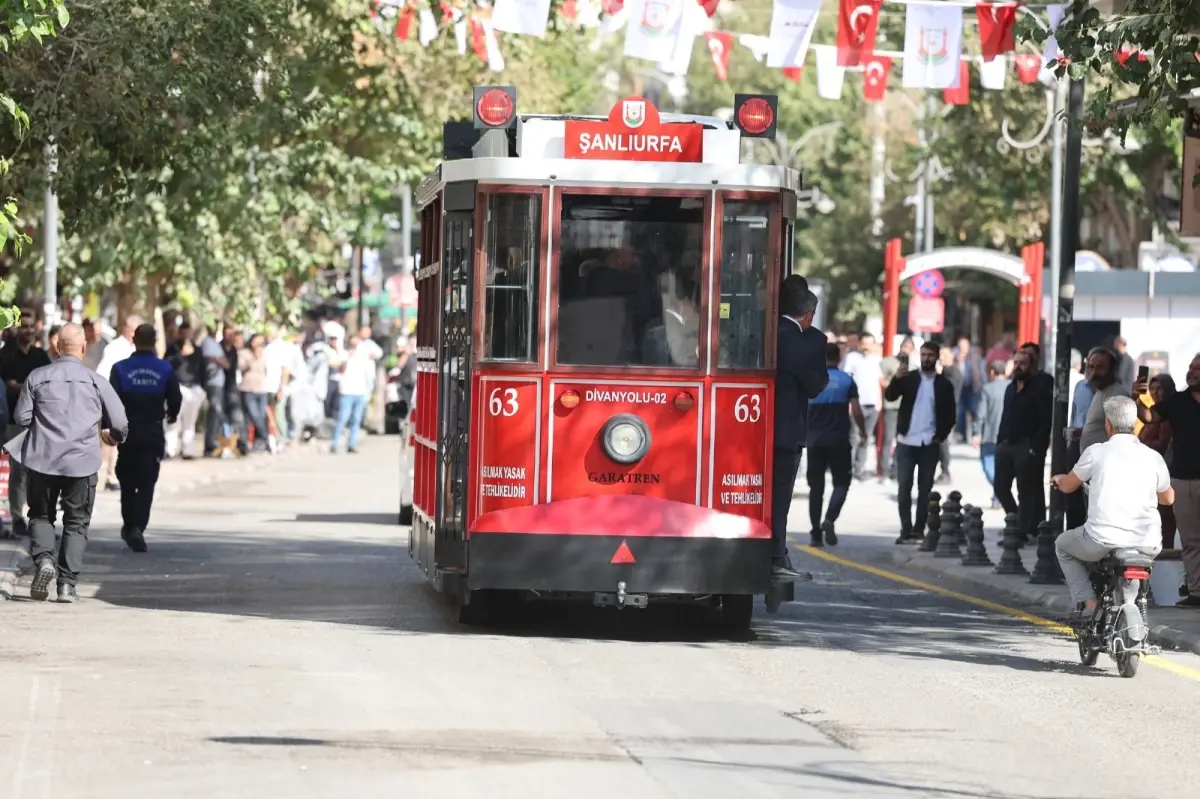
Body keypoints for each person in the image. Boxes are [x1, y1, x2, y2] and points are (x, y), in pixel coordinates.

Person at [5, 325, 128, 602]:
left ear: (57, 347)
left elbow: (22, 417)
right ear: (83, 348)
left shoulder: (37, 377)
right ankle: (66, 586)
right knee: (76, 523)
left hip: (42, 459)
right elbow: (119, 422)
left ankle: (45, 561)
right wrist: (113, 436)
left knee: (40, 515)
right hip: (81, 464)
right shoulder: (96, 381)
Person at [1052, 396, 1170, 615]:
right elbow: (1167, 499)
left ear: (1108, 424)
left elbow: (1069, 486)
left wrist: (1059, 480)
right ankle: (1129, 605)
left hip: (1102, 540)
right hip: (1147, 543)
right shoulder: (1153, 457)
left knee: (1062, 545)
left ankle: (1089, 603)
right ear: (1135, 424)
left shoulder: (1096, 452)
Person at [771, 276, 829, 577]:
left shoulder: (762, 330)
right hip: (787, 431)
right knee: (780, 497)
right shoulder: (810, 341)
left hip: (751, 425)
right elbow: (816, 386)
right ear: (807, 316)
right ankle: (776, 555)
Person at [1133, 353, 1200, 607]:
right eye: (1191, 367)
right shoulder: (1177, 401)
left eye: (1198, 369)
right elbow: (1148, 417)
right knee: (1191, 539)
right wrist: (1136, 397)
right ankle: (1196, 592)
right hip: (1182, 479)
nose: (1192, 372)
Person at [110, 324, 182, 553]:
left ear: (133, 339)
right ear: (154, 340)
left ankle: (129, 523)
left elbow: (111, 401)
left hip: (128, 432)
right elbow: (175, 398)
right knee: (147, 482)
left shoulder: (120, 369)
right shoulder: (164, 369)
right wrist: (172, 414)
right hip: (152, 431)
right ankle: (138, 527)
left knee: (128, 481)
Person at [885, 340, 956, 544]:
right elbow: (890, 397)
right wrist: (896, 380)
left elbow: (950, 416)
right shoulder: (909, 378)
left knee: (924, 488)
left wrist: (939, 437)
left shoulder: (944, 384)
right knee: (903, 486)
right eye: (923, 355)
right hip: (906, 440)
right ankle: (905, 529)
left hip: (929, 443)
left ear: (937, 357)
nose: (926, 359)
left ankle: (919, 529)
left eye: (930, 355)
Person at [806, 342, 866, 548]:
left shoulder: (812, 381)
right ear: (839, 357)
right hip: (839, 440)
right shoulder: (847, 381)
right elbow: (857, 411)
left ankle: (815, 534)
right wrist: (863, 431)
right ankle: (829, 519)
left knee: (816, 488)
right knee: (841, 483)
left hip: (814, 441)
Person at [992, 348, 1053, 543]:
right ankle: (1016, 520)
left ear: (1031, 366)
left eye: (1023, 363)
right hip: (1006, 444)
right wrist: (1000, 441)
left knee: (1025, 491)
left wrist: (1035, 448)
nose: (1018, 366)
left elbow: (1045, 422)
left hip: (1026, 446)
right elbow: (1005, 415)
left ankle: (1020, 531)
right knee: (1000, 487)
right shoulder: (1010, 388)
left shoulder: (1039, 389)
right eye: (1016, 362)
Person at [0, 319, 52, 535]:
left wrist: (23, 387)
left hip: (38, 420)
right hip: (13, 420)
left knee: (37, 470)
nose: (28, 330)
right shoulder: (6, 355)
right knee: (18, 470)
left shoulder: (40, 356)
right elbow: (8, 388)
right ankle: (17, 516)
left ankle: (37, 517)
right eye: (24, 326)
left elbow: (48, 384)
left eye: (31, 326)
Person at [96, 315, 141, 491]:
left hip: (127, 401)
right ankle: (108, 476)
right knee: (112, 438)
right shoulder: (116, 348)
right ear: (130, 331)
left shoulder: (133, 348)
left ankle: (114, 475)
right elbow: (103, 373)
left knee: (122, 439)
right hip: (114, 400)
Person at [1138, 373, 1176, 550]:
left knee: (1166, 519)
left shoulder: (1168, 414)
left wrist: (1142, 445)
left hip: (1165, 473)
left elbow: (1162, 443)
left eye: (1159, 388)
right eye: (1152, 388)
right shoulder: (1154, 411)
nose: (1155, 392)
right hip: (1149, 473)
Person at [842, 332, 882, 481]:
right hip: (856, 403)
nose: (866, 347)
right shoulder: (852, 358)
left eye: (869, 343)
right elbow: (847, 381)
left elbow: (878, 382)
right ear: (859, 343)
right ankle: (848, 469)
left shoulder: (876, 360)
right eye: (864, 343)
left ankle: (859, 470)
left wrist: (879, 402)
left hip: (872, 404)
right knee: (854, 437)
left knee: (866, 437)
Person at [164, 323, 207, 459]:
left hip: (194, 388)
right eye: (185, 332)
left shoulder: (197, 350)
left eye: (190, 332)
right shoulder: (173, 348)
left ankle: (188, 450)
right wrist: (180, 355)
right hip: (178, 387)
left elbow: (202, 369)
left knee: (190, 422)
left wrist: (202, 388)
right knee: (173, 420)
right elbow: (166, 365)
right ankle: (170, 449)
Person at [971, 360, 1009, 509]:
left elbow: (981, 413)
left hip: (990, 434)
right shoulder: (1011, 387)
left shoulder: (987, 389)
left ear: (992, 372)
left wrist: (976, 432)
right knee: (1001, 467)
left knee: (988, 466)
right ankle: (998, 495)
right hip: (1007, 434)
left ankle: (1000, 490)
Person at [329, 336, 374, 454]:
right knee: (343, 418)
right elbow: (340, 369)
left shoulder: (362, 355)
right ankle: (334, 443)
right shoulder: (343, 354)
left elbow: (368, 369)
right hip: (347, 391)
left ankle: (351, 444)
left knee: (356, 419)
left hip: (359, 391)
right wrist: (348, 357)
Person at [878, 336, 914, 482]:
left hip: (906, 407)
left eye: (909, 348)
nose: (906, 350)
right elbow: (880, 381)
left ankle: (896, 470)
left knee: (903, 439)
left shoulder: (914, 367)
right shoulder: (887, 362)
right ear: (900, 347)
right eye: (904, 347)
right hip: (891, 406)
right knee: (888, 438)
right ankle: (884, 471)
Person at [1080, 346, 1128, 453]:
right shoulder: (1101, 390)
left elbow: (1119, 437)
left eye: (1100, 368)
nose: (1094, 373)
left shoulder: (1117, 395)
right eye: (1091, 367)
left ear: (1112, 370)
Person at [196, 324, 229, 456]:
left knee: (215, 413)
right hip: (212, 382)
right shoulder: (207, 343)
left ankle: (213, 442)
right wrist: (220, 361)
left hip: (219, 382)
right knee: (216, 411)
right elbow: (214, 359)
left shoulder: (216, 344)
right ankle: (211, 443)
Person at [239, 333, 271, 452]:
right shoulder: (244, 353)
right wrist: (253, 358)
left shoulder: (265, 354)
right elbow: (241, 367)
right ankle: (265, 438)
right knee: (253, 415)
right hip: (248, 388)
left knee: (261, 416)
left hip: (261, 389)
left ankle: (259, 442)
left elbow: (266, 370)